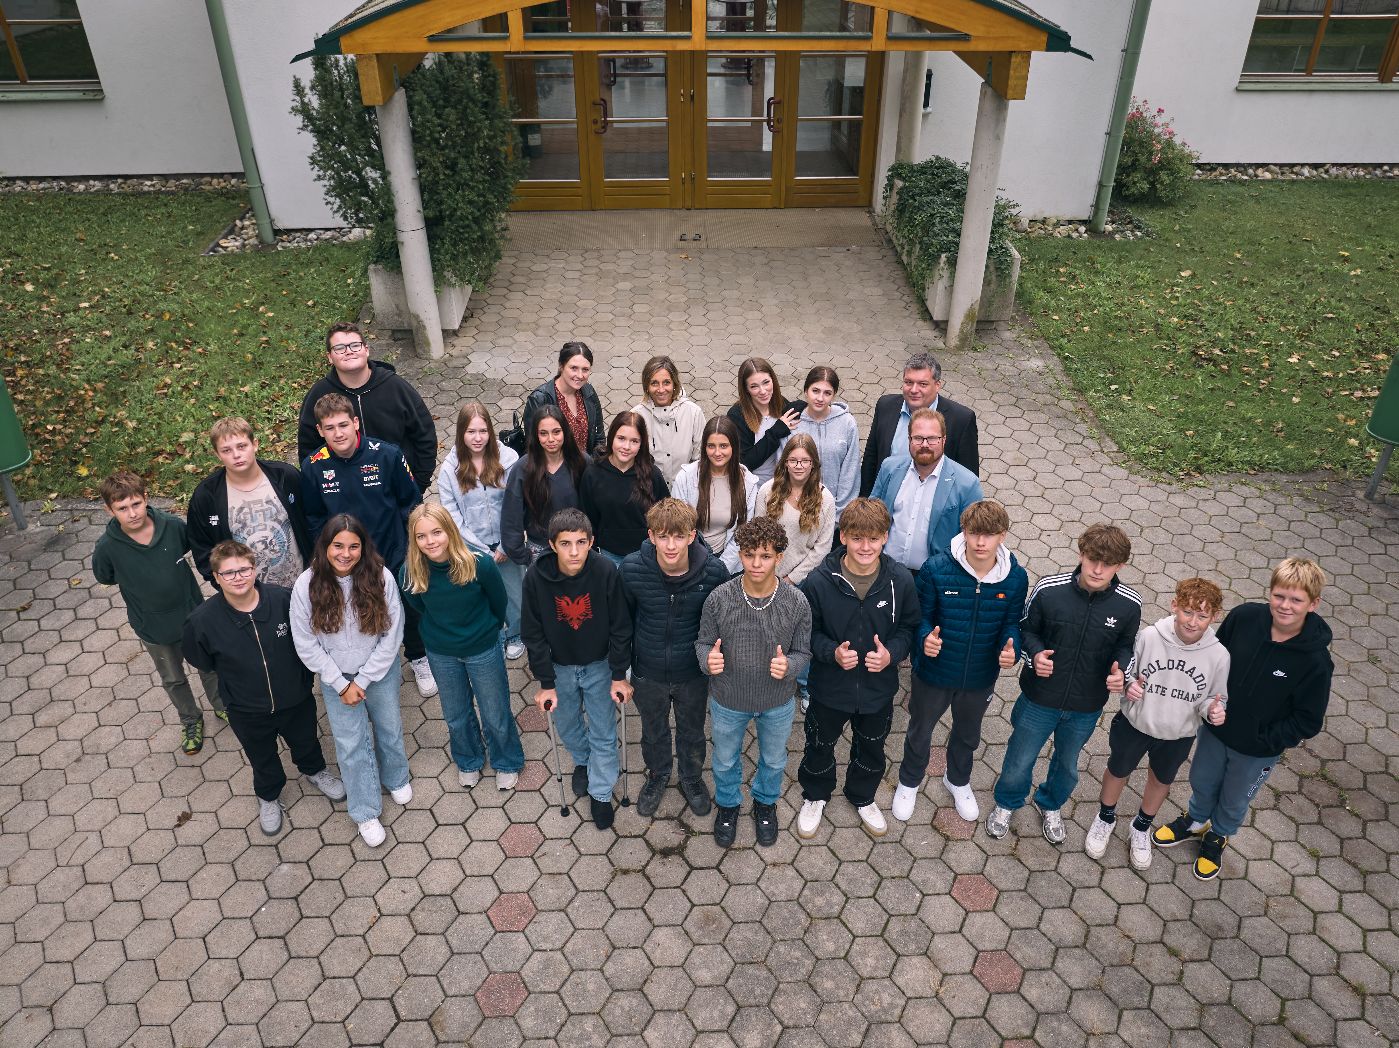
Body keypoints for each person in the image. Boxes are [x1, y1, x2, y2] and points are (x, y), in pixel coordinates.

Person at [1154, 558, 1333, 881]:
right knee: (1202, 779)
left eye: (1296, 600)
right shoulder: (1245, 617)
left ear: (1313, 604)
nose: (1285, 606)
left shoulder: (1316, 661)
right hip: (1215, 730)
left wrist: (1264, 739)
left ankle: (1218, 835)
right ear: (1270, 592)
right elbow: (1213, 657)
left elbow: (1308, 720)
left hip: (1256, 750)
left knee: (1234, 798)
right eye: (1279, 596)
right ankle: (1196, 821)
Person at [986, 524, 1141, 845]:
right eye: (1093, 560)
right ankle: (1007, 802)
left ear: (1120, 566)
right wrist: (1035, 655)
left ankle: (1050, 804)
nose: (1098, 570)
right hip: (1039, 699)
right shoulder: (1048, 589)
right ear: (1081, 554)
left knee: (1067, 765)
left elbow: (1126, 646)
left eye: (1107, 564)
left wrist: (1122, 671)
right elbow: (1026, 630)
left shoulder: (1129, 604)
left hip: (1086, 706)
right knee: (1019, 760)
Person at [183, 541, 345, 836]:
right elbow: (202, 660)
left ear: (255, 569)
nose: (238, 577)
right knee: (261, 756)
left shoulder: (283, 600)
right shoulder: (202, 621)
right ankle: (269, 795)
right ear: (216, 577)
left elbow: (307, 640)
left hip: (295, 697)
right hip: (246, 709)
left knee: (306, 739)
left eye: (244, 569)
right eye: (228, 573)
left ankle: (315, 770)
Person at [894, 500, 1028, 826]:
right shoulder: (935, 569)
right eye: (974, 533)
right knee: (920, 730)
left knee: (968, 735)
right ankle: (909, 780)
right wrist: (924, 639)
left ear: (1003, 536)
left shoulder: (1015, 578)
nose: (980, 542)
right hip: (934, 673)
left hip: (980, 676)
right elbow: (919, 618)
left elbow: (1012, 624)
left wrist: (1012, 648)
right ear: (963, 532)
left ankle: (957, 780)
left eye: (989, 535)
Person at [1084, 578, 1230, 871]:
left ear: (1214, 617)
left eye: (1202, 616)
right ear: (1174, 605)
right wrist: (1128, 686)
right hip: (1135, 724)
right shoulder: (1149, 636)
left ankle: (1141, 826)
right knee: (1118, 770)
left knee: (1161, 780)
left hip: (1178, 735)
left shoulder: (1219, 656)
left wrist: (1214, 711)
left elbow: (1215, 698)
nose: (1193, 621)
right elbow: (1128, 672)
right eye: (1187, 612)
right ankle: (1105, 817)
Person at [795, 499, 919, 839]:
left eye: (874, 538)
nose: (866, 547)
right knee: (819, 744)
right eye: (857, 538)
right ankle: (816, 794)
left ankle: (862, 795)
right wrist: (831, 652)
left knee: (872, 747)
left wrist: (891, 655)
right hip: (829, 688)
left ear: (885, 537)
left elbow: (909, 628)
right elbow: (806, 633)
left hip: (878, 690)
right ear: (843, 537)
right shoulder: (819, 582)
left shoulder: (900, 581)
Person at [300, 393, 434, 698]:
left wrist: (413, 550)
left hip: (392, 553)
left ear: (356, 423)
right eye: (329, 428)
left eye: (343, 425)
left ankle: (418, 657)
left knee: (409, 609)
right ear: (320, 431)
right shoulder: (313, 467)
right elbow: (314, 518)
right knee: (358, 613)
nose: (338, 433)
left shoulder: (387, 455)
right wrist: (327, 557)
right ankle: (366, 666)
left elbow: (411, 504)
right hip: (346, 561)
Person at [290, 515, 411, 848]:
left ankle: (396, 776)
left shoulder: (381, 577)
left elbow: (392, 634)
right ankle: (365, 810)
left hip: (379, 671)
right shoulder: (306, 585)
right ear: (325, 546)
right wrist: (342, 684)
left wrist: (365, 678)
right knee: (350, 744)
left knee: (389, 727)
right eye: (338, 546)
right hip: (337, 679)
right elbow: (305, 643)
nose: (345, 554)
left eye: (353, 546)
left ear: (363, 547)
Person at [696, 516, 812, 848]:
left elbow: (803, 651)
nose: (756, 564)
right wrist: (707, 660)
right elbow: (703, 643)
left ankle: (765, 802)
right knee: (725, 759)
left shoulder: (796, 602)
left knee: (774, 760)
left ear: (779, 557)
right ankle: (728, 804)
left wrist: (790, 665)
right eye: (749, 555)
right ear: (740, 554)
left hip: (776, 700)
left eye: (765, 556)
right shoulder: (719, 598)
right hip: (728, 698)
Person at [93, 471, 225, 756]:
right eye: (122, 508)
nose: (132, 514)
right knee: (173, 678)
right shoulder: (107, 547)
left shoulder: (172, 526)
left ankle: (221, 704)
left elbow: (194, 546)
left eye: (136, 504)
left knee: (210, 666)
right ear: (109, 510)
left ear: (146, 498)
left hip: (193, 617)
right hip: (153, 627)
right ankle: (190, 719)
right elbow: (105, 576)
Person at [400, 504, 524, 793]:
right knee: (456, 714)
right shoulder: (409, 572)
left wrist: (487, 630)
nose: (430, 541)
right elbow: (418, 606)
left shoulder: (479, 564)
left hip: (483, 647)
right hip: (441, 651)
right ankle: (469, 760)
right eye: (421, 536)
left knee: (494, 711)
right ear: (414, 540)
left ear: (450, 531)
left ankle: (506, 760)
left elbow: (498, 602)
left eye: (437, 532)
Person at [521, 509, 633, 829]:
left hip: (599, 665)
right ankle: (583, 761)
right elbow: (532, 633)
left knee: (603, 731)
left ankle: (601, 792)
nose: (574, 552)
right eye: (565, 543)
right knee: (568, 727)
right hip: (559, 668)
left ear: (591, 542)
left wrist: (618, 675)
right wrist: (545, 682)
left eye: (581, 543)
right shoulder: (535, 578)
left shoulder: (605, 571)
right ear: (552, 545)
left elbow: (621, 626)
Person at [620, 499, 730, 818]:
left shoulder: (714, 572)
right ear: (651, 536)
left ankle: (691, 777)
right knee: (653, 730)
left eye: (679, 536)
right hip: (648, 671)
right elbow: (621, 623)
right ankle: (658, 774)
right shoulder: (631, 569)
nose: (671, 545)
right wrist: (619, 672)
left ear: (692, 536)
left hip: (691, 673)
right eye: (663, 536)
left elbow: (722, 624)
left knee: (692, 730)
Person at [296, 322, 437, 493]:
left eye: (355, 345)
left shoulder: (396, 387)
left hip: (398, 490)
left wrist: (418, 484)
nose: (349, 351)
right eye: (339, 348)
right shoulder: (318, 395)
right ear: (330, 357)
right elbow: (308, 450)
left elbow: (425, 436)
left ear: (366, 349)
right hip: (345, 495)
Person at [438, 402, 526, 660]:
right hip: (472, 548)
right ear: (461, 433)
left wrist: (506, 544)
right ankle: (493, 635)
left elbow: (518, 504)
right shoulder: (449, 470)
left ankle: (516, 633)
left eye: (483, 431)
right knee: (481, 594)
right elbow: (452, 516)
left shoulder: (508, 460)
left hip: (506, 543)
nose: (477, 438)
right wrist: (480, 550)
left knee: (514, 593)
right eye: (471, 432)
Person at [188, 417, 312, 589]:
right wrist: (227, 587)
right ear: (217, 454)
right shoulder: (206, 496)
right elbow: (201, 547)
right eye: (226, 450)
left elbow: (311, 519)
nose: (236, 455)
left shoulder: (285, 477)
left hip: (300, 585)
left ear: (255, 444)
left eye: (241, 446)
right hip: (248, 594)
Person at [871, 408, 984, 571]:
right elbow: (872, 516)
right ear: (909, 439)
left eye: (932, 438)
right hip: (885, 569)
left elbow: (972, 538)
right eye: (918, 438)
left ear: (944, 440)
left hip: (933, 577)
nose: (924, 445)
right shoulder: (889, 467)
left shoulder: (967, 483)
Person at [860, 350, 979, 497]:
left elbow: (968, 477)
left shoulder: (961, 419)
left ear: (937, 385)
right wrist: (866, 500)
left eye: (922, 384)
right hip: (888, 498)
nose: (914, 390)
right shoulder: (885, 406)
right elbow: (871, 457)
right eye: (909, 382)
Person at [500, 405, 587, 566]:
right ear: (536, 435)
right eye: (543, 433)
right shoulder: (523, 469)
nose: (551, 439)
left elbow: (595, 508)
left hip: (577, 550)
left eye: (556, 432)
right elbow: (511, 517)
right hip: (541, 551)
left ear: (565, 432)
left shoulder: (582, 463)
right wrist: (522, 555)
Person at [670, 416, 759, 573]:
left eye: (723, 446)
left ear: (734, 446)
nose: (717, 452)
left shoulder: (748, 483)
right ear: (704, 447)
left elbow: (742, 534)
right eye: (711, 446)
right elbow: (677, 525)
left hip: (727, 561)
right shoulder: (685, 477)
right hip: (689, 557)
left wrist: (720, 569)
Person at [579, 411, 669, 565]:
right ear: (611, 437)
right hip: (607, 555)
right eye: (621, 438)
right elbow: (587, 518)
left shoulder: (652, 474)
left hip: (646, 555)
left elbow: (665, 516)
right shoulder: (593, 473)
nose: (626, 447)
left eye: (634, 441)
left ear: (641, 444)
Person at [758, 434, 835, 587]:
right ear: (785, 463)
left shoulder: (825, 499)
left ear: (813, 463)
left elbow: (822, 548)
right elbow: (758, 536)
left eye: (805, 461)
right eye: (793, 460)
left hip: (804, 580)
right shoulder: (767, 491)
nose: (799, 466)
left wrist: (791, 579)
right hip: (766, 576)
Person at [794, 366, 860, 514]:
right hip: (799, 509)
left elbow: (851, 470)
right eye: (815, 391)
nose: (820, 398)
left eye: (827, 393)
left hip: (836, 511)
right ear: (806, 391)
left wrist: (840, 513)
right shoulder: (793, 423)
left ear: (834, 395)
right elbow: (784, 467)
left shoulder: (847, 422)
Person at [726, 357, 803, 483]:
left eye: (766, 382)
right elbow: (745, 463)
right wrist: (774, 433)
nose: (763, 391)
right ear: (746, 389)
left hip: (784, 484)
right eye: (754, 386)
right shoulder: (736, 416)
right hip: (754, 486)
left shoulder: (781, 403)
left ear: (773, 380)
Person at [523, 342, 606, 457]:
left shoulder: (589, 392)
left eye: (585, 369)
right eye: (574, 368)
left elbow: (599, 437)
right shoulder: (539, 399)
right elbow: (533, 446)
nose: (580, 375)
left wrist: (594, 464)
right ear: (561, 366)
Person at [632, 355, 705, 486]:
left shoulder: (693, 413)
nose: (661, 390)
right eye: (654, 383)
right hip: (649, 491)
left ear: (675, 384)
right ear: (646, 386)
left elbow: (700, 459)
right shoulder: (636, 416)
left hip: (684, 490)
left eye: (666, 382)